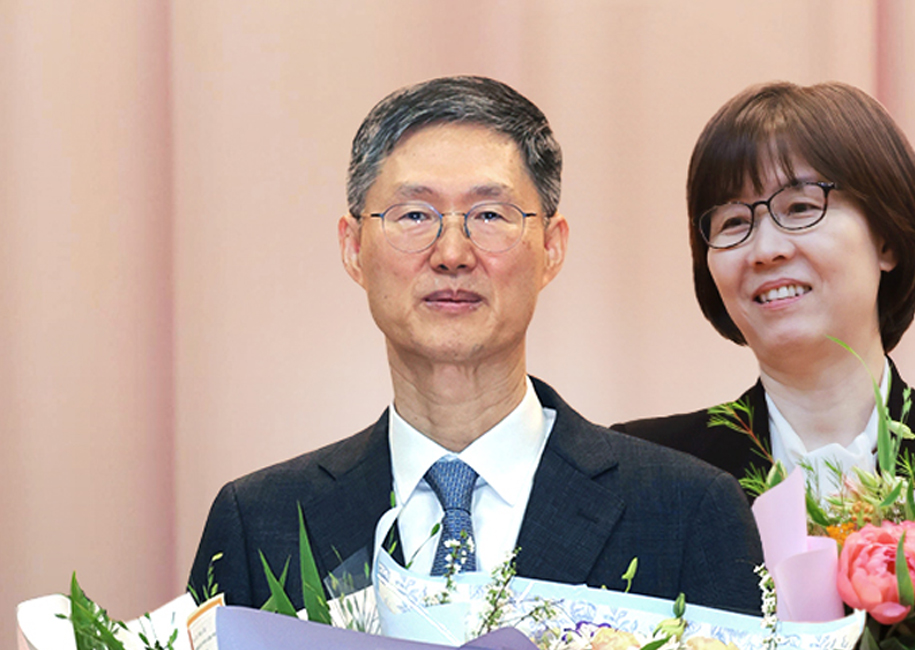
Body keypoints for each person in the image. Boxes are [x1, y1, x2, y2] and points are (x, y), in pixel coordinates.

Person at [188, 76, 763, 614]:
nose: (452, 254)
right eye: (414, 215)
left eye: (490, 215)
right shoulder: (259, 523)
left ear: (552, 247)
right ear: (353, 248)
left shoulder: (685, 510)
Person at [615, 82, 915, 495]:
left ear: (886, 240)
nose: (765, 250)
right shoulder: (644, 471)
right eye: (733, 222)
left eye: (801, 207)